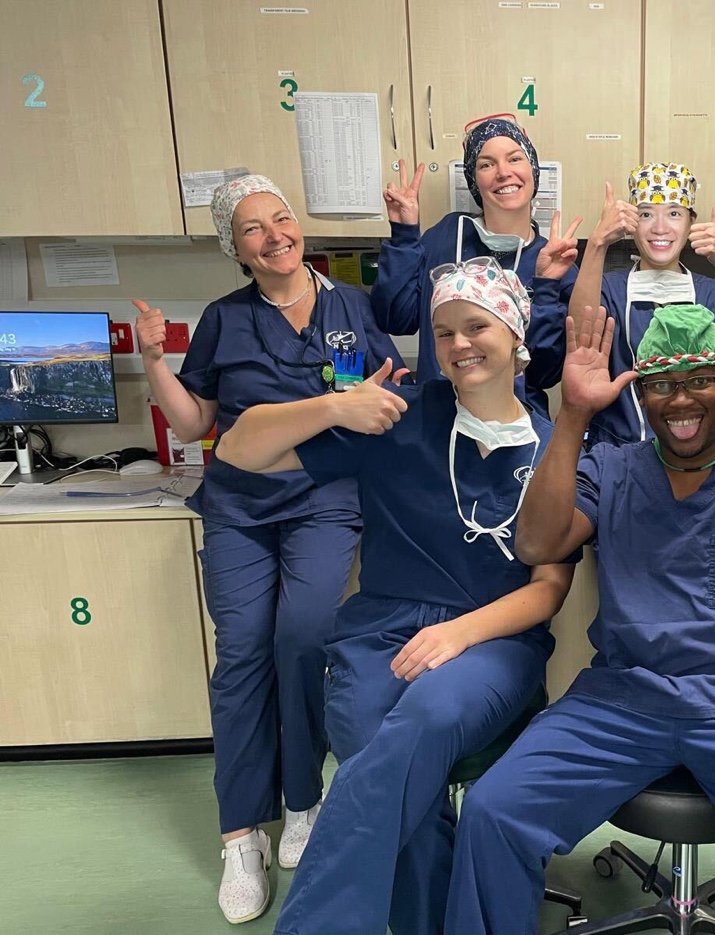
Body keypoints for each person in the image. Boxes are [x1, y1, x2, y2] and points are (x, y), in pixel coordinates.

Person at [446, 304, 715, 935]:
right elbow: (538, 546)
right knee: (491, 813)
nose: (681, 399)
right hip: (621, 700)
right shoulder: (612, 467)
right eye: (660, 384)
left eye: (699, 379)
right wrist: (573, 415)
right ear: (642, 394)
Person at [213, 256, 576, 935]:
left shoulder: (552, 448)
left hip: (493, 640)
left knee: (424, 718)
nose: (460, 344)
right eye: (443, 332)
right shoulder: (397, 416)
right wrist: (331, 405)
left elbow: (549, 588)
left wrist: (458, 634)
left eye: (476, 326)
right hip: (376, 634)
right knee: (387, 757)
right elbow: (238, 450)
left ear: (515, 333)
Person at [133, 174, 405, 924]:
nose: (274, 233)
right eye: (252, 227)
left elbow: (381, 390)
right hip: (241, 507)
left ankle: (303, 799)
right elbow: (193, 425)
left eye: (280, 217)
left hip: (324, 498)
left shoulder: (353, 305)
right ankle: (240, 834)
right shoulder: (224, 320)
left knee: (306, 634)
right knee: (245, 649)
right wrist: (154, 361)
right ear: (236, 248)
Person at [371, 115, 580, 417]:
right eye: (486, 164)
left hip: (517, 431)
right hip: (438, 423)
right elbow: (394, 318)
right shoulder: (447, 235)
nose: (503, 173)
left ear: (532, 170)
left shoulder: (555, 261)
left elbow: (543, 375)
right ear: (474, 181)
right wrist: (404, 235)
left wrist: (545, 287)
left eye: (515, 159)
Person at [567, 162, 715, 446]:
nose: (660, 228)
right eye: (646, 214)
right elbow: (582, 337)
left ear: (690, 221)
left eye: (673, 213)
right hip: (618, 452)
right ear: (631, 223)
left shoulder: (712, 292)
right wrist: (598, 242)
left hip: (696, 453)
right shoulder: (609, 288)